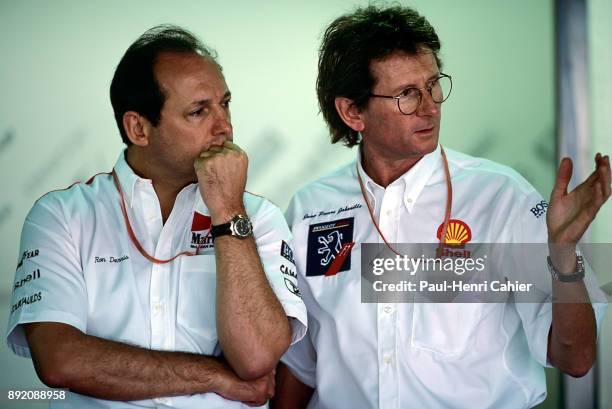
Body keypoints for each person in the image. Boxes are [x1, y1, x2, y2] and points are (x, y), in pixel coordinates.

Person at [273, 5, 610, 409]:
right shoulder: (311, 208)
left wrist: (564, 255)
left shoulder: (500, 197)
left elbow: (576, 358)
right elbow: (301, 365)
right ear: (352, 111)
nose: (430, 107)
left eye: (433, 85)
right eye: (407, 94)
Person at [6, 25, 306, 408]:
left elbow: (256, 360)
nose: (224, 126)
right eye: (199, 111)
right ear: (138, 128)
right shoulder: (63, 215)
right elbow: (60, 360)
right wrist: (214, 375)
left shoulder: (258, 217)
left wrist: (228, 212)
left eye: (225, 104)